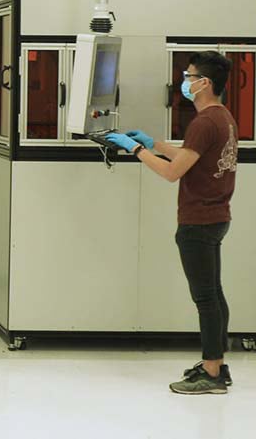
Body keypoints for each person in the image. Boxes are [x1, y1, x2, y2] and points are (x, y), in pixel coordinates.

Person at [107, 51, 237, 395]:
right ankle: (217, 365)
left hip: (198, 221)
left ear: (203, 83)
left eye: (189, 75)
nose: (184, 81)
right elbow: (191, 158)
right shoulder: (221, 117)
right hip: (217, 216)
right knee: (215, 294)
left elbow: (171, 172)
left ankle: (211, 374)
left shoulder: (203, 123)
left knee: (205, 298)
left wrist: (135, 150)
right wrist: (155, 143)